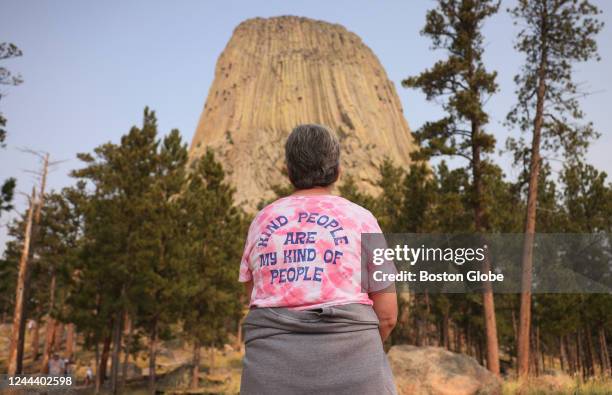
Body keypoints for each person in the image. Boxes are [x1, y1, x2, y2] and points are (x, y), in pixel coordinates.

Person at [239, 124, 398, 395]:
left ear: (288, 171)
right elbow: (387, 315)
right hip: (358, 372)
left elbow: (255, 298)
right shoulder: (363, 219)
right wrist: (358, 353)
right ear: (338, 171)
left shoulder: (262, 221)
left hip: (270, 375)